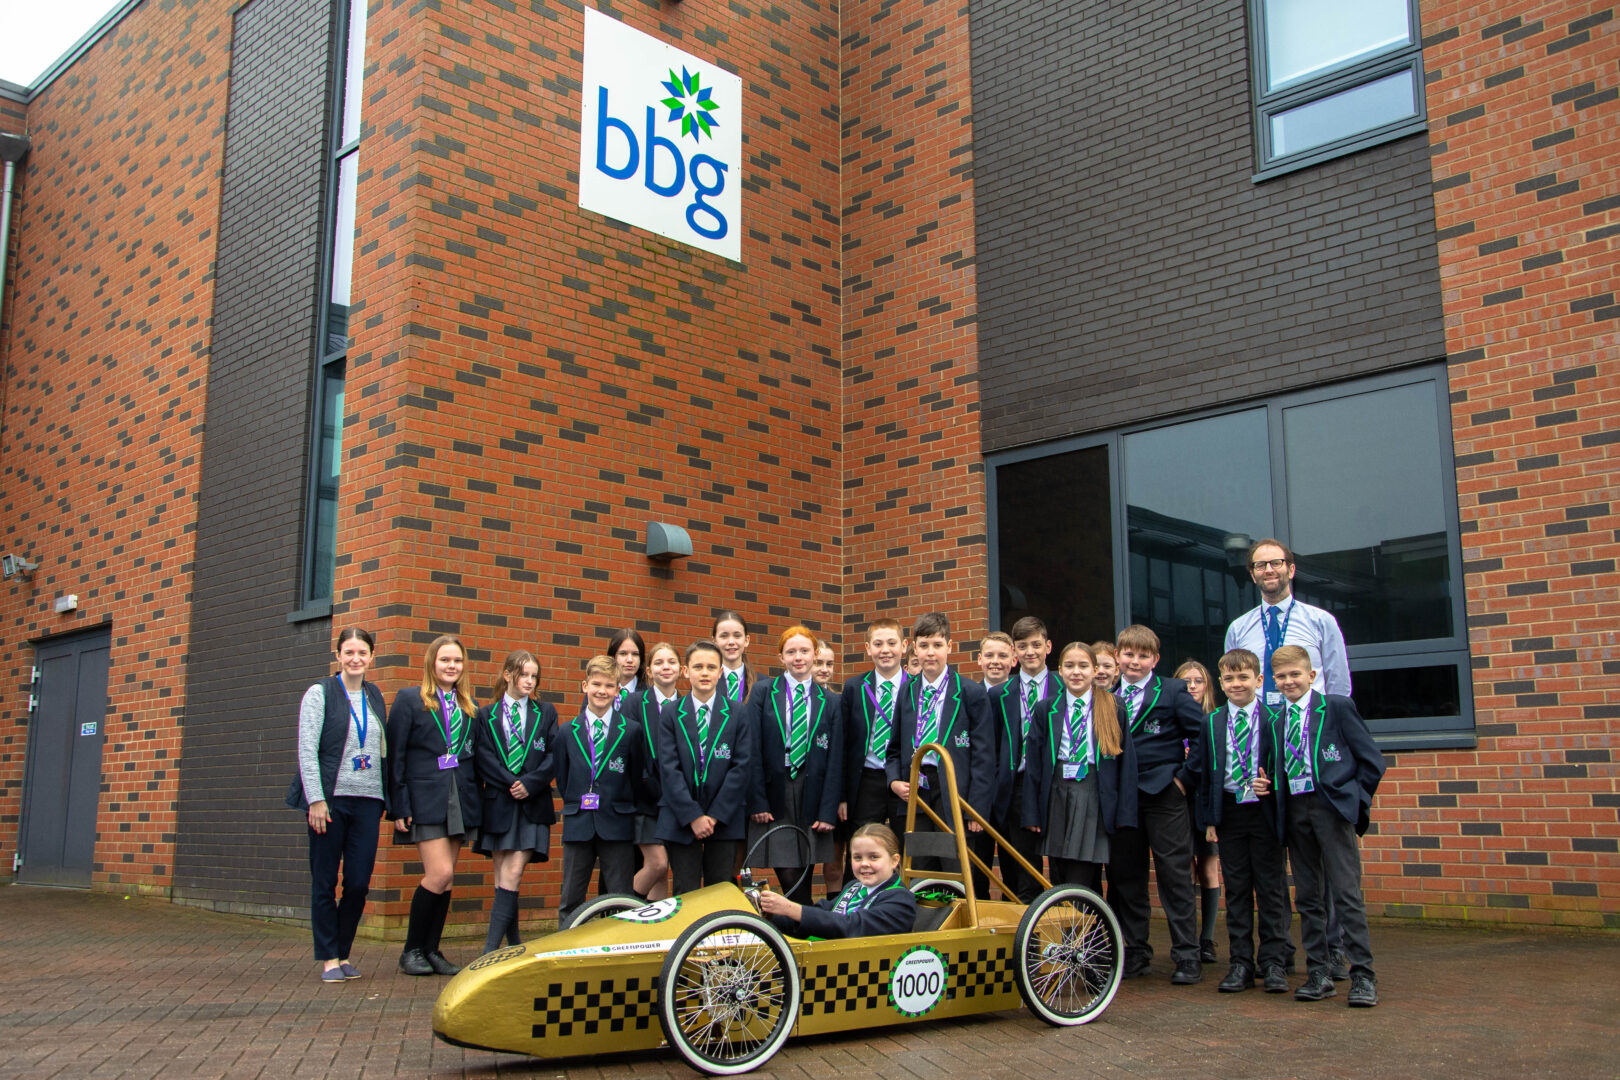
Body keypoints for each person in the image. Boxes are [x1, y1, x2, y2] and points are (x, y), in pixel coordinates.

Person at [1224, 537, 1353, 978]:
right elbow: (1238, 690)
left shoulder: (1320, 622)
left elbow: (1338, 688)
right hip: (1262, 745)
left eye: (1276, 563)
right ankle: (1278, 953)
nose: (1268, 571)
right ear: (1252, 574)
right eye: (1260, 565)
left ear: (1291, 569)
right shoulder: (1240, 627)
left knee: (1320, 858)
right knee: (1270, 852)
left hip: (1308, 749)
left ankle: (1333, 949)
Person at [1266, 645, 1385, 1007]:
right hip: (1296, 811)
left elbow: (1371, 761)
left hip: (1331, 809)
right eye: (1282, 677)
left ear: (1311, 675)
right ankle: (1318, 972)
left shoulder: (1335, 707)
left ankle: (1363, 975)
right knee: (1307, 896)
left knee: (1346, 893)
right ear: (1274, 681)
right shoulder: (1277, 720)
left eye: (1295, 675)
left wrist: (1354, 803)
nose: (1289, 682)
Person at [1106, 624, 1205, 985]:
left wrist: (1183, 781)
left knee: (1174, 875)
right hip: (1123, 799)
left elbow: (1203, 737)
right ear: (1117, 656)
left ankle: (1187, 955)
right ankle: (1135, 952)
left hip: (1164, 795)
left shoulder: (1175, 691)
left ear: (1155, 659)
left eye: (1143, 655)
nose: (1135, 661)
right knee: (1128, 877)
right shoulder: (1107, 697)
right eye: (1129, 654)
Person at [291, 627, 388, 984]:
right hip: (330, 801)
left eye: (362, 653)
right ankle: (329, 958)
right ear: (338, 656)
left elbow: (380, 749)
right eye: (349, 652)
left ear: (371, 657)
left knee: (359, 882)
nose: (356, 659)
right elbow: (307, 749)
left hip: (367, 801)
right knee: (325, 880)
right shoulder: (320, 693)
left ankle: (344, 951)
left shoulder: (374, 694)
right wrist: (315, 799)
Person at [1196, 649, 1291, 995]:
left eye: (1244, 677)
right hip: (1230, 812)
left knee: (1271, 889)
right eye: (1230, 678)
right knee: (1236, 890)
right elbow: (1206, 774)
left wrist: (1273, 786)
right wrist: (1209, 820)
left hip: (1264, 812)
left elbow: (1286, 767)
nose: (1237, 684)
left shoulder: (1274, 719)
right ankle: (1240, 963)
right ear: (1220, 683)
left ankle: (1274, 962)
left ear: (1259, 680)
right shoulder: (1212, 722)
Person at [386, 634, 481, 976]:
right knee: (438, 873)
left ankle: (431, 949)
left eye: (457, 661)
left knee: (448, 879)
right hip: (424, 799)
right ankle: (411, 949)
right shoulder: (410, 700)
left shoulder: (469, 707)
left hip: (459, 798)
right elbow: (395, 756)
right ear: (432, 663)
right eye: (445, 660)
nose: (451, 666)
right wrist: (398, 804)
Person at [1021, 642, 1138, 892]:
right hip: (1057, 792)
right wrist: (1032, 812)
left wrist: (1125, 813)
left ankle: (1085, 926)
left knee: (1083, 873)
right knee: (1060, 870)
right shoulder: (1046, 709)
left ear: (1095, 670)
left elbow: (1127, 766)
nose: (1077, 672)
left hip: (1093, 793)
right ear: (1060, 670)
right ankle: (1068, 928)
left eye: (1084, 666)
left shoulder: (1114, 706)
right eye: (1070, 666)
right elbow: (1034, 766)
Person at [887, 612, 994, 872]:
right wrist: (893, 780)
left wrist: (976, 809)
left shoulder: (971, 692)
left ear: (949, 646)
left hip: (954, 789)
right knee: (920, 864)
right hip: (917, 787)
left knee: (953, 865)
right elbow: (895, 748)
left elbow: (984, 756)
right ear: (914, 649)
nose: (930, 653)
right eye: (923, 646)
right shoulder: (908, 690)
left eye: (937, 645)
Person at [746, 626, 843, 903]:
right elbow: (752, 749)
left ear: (815, 655)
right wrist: (758, 801)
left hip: (812, 791)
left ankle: (798, 921)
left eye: (804, 651)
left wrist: (828, 810)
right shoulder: (764, 692)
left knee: (805, 868)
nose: (798, 657)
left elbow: (835, 759)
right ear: (781, 657)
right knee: (788, 872)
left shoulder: (831, 701)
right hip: (775, 791)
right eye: (791, 652)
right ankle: (800, 918)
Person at [472, 649, 557, 954]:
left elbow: (552, 756)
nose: (529, 681)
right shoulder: (485, 715)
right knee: (502, 877)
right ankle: (514, 944)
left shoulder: (546, 712)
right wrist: (512, 783)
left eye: (534, 676)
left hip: (532, 802)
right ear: (508, 674)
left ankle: (489, 951)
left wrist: (530, 784)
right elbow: (484, 758)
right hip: (499, 802)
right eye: (524, 674)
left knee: (514, 871)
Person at [556, 655, 649, 927]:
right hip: (578, 822)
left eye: (609, 686)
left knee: (618, 897)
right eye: (596, 684)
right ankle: (565, 950)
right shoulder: (566, 732)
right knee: (571, 896)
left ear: (618, 690)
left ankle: (616, 948)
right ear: (584, 686)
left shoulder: (631, 731)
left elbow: (635, 777)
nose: (602, 691)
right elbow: (563, 778)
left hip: (617, 822)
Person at [658, 639, 756, 893]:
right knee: (685, 890)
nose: (704, 673)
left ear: (721, 672)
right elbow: (669, 769)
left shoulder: (737, 713)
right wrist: (693, 816)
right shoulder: (671, 713)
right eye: (698, 666)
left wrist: (713, 816)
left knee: (720, 890)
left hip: (722, 818)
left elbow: (741, 767)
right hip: (681, 817)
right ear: (685, 671)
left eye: (711, 667)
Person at [987, 616, 1058, 903]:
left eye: (1036, 645)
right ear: (1015, 652)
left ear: (1048, 646)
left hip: (1056, 785)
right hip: (1016, 786)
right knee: (1019, 865)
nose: (1030, 652)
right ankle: (1024, 939)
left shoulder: (1065, 687)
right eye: (1023, 646)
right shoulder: (999, 694)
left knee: (1059, 860)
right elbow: (991, 747)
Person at [839, 619, 910, 877]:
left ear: (904, 646)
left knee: (907, 848)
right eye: (878, 644)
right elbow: (843, 744)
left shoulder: (916, 687)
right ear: (867, 648)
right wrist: (843, 795)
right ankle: (854, 905)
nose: (885, 650)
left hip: (903, 781)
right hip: (867, 779)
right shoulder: (855, 687)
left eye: (892, 643)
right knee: (861, 847)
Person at [757, 824, 918, 938]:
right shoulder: (853, 886)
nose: (864, 864)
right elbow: (824, 911)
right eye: (857, 857)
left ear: (894, 860)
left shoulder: (901, 900)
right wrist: (766, 917)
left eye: (874, 857)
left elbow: (851, 926)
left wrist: (790, 908)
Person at [626, 641, 682, 901]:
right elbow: (630, 752)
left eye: (671, 662)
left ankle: (654, 931)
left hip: (677, 800)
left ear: (681, 669)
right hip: (645, 800)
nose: (665, 667)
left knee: (664, 871)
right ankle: (620, 910)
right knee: (657, 863)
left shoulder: (688, 705)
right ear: (648, 671)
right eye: (658, 663)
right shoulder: (635, 703)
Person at [1176, 658, 1222, 964]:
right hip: (1178, 802)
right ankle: (1188, 936)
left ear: (1207, 686)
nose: (1192, 687)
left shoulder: (1215, 719)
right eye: (1186, 682)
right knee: (1183, 869)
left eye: (1198, 681)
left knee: (1207, 868)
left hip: (1203, 800)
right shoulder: (1173, 715)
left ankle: (1207, 938)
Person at [713, 611, 755, 708]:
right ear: (714, 641)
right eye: (724, 636)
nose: (731, 642)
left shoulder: (762, 684)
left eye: (737, 635)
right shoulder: (706, 681)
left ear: (746, 640)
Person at [607, 628, 646, 713]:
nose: (629, 660)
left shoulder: (649, 695)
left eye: (635, 654)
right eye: (623, 653)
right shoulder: (598, 691)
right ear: (613, 656)